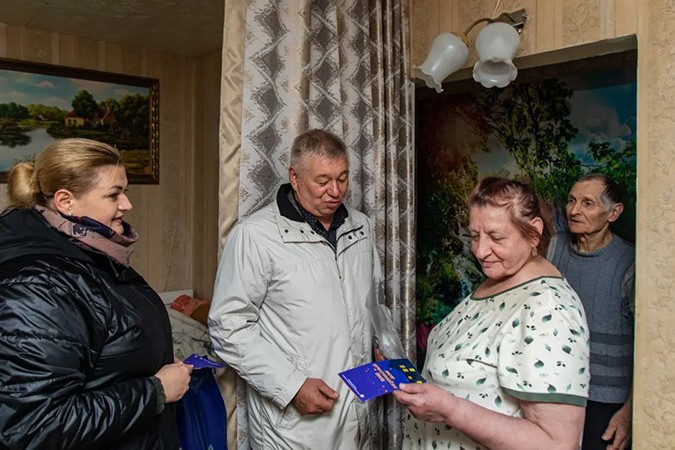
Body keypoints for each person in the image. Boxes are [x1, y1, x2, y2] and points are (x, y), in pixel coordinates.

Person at [0, 138, 192, 450]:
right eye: (114, 194)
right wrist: (155, 391)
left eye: (125, 191)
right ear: (65, 201)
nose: (127, 204)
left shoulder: (90, 256)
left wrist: (147, 359)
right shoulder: (39, 286)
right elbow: (34, 427)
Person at [209, 129, 382, 449]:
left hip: (356, 412)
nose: (335, 191)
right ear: (295, 177)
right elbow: (227, 326)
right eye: (323, 181)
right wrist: (291, 386)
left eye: (342, 178)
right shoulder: (255, 236)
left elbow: (371, 300)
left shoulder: (361, 226)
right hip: (292, 427)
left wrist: (380, 342)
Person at [395, 177, 591, 449]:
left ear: (534, 232)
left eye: (496, 237)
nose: (480, 251)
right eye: (475, 236)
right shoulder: (499, 279)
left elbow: (557, 444)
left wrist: (450, 410)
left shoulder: (548, 308)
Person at [548, 173, 634, 450]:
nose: (574, 210)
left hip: (607, 402)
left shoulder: (631, 261)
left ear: (614, 213)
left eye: (587, 203)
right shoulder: (554, 247)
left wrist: (629, 412)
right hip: (556, 392)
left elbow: (651, 350)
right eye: (572, 200)